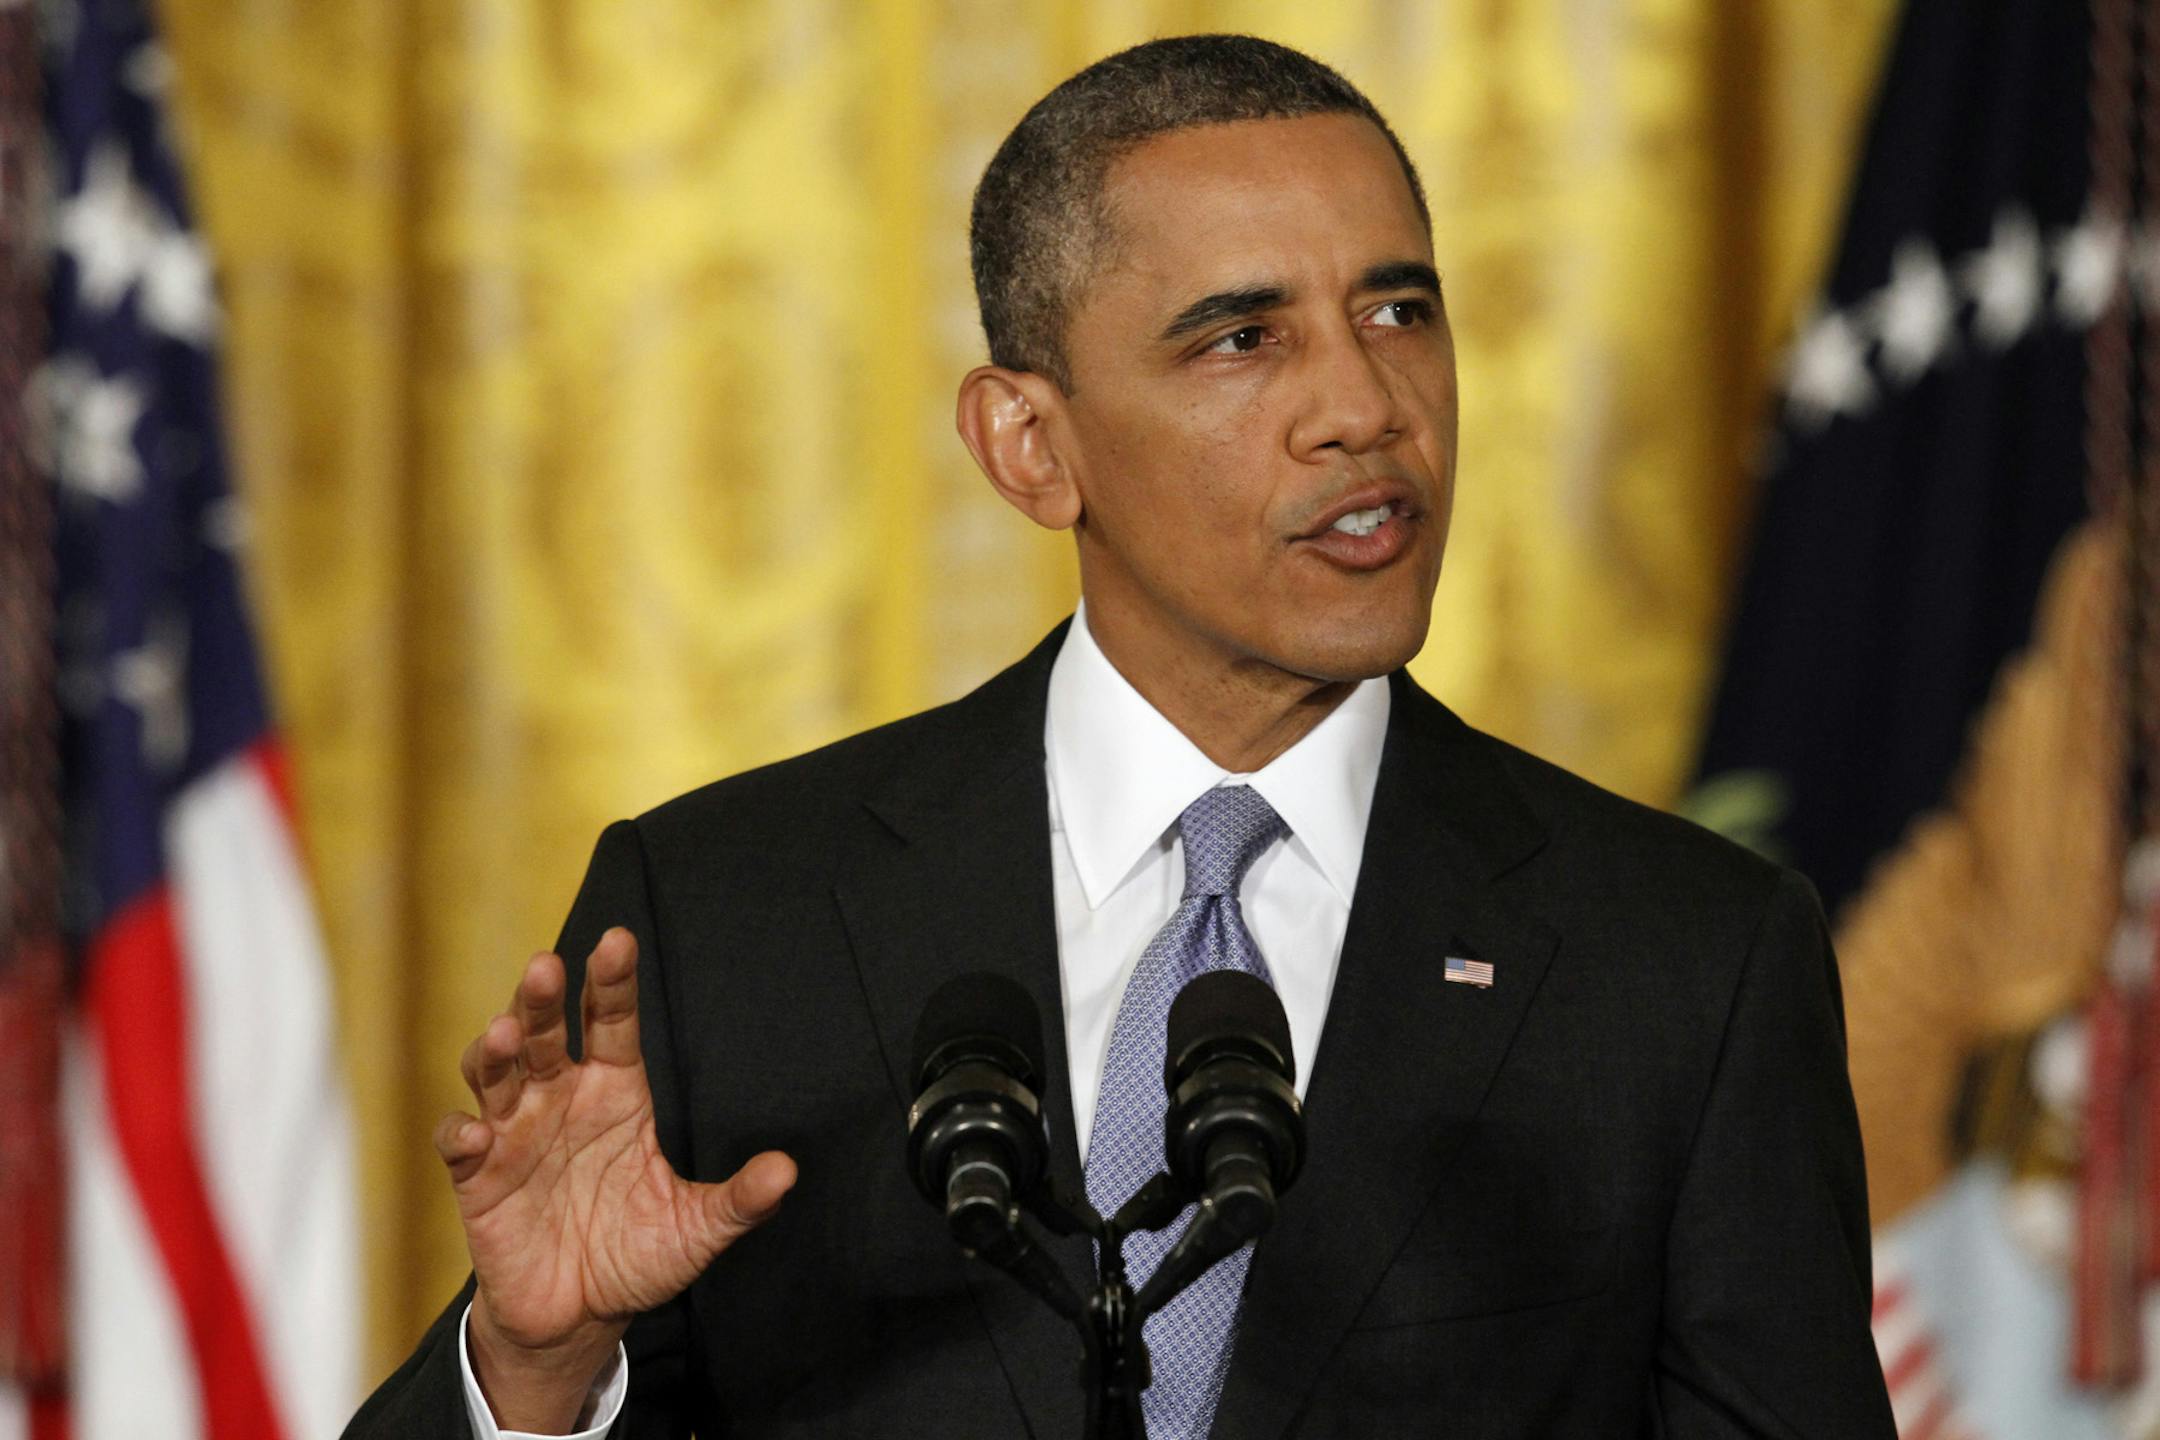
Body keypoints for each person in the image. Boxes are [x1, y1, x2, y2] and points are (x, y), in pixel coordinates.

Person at [345, 34, 1895, 1440]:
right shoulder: (722, 922)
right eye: (1242, 339)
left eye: (1398, 309)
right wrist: (532, 1375)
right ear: (1032, 445)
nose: (1364, 405)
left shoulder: (1686, 967)